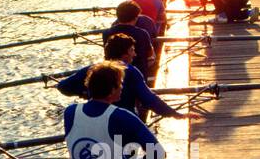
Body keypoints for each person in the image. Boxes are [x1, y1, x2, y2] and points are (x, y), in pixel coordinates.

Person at [64, 61, 166, 159]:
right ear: (112, 90)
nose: (122, 87)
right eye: (120, 83)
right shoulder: (123, 116)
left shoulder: (70, 111)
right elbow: (158, 153)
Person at [56, 33, 184, 119]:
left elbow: (63, 86)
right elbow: (149, 99)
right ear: (124, 54)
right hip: (125, 120)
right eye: (132, 50)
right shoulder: (131, 71)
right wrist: (174, 114)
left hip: (97, 119)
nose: (135, 54)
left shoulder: (93, 68)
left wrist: (86, 92)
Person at [103, 1, 156, 73]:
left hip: (114, 72)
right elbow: (150, 54)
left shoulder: (106, 33)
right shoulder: (142, 33)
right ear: (136, 17)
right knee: (152, 57)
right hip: (138, 71)